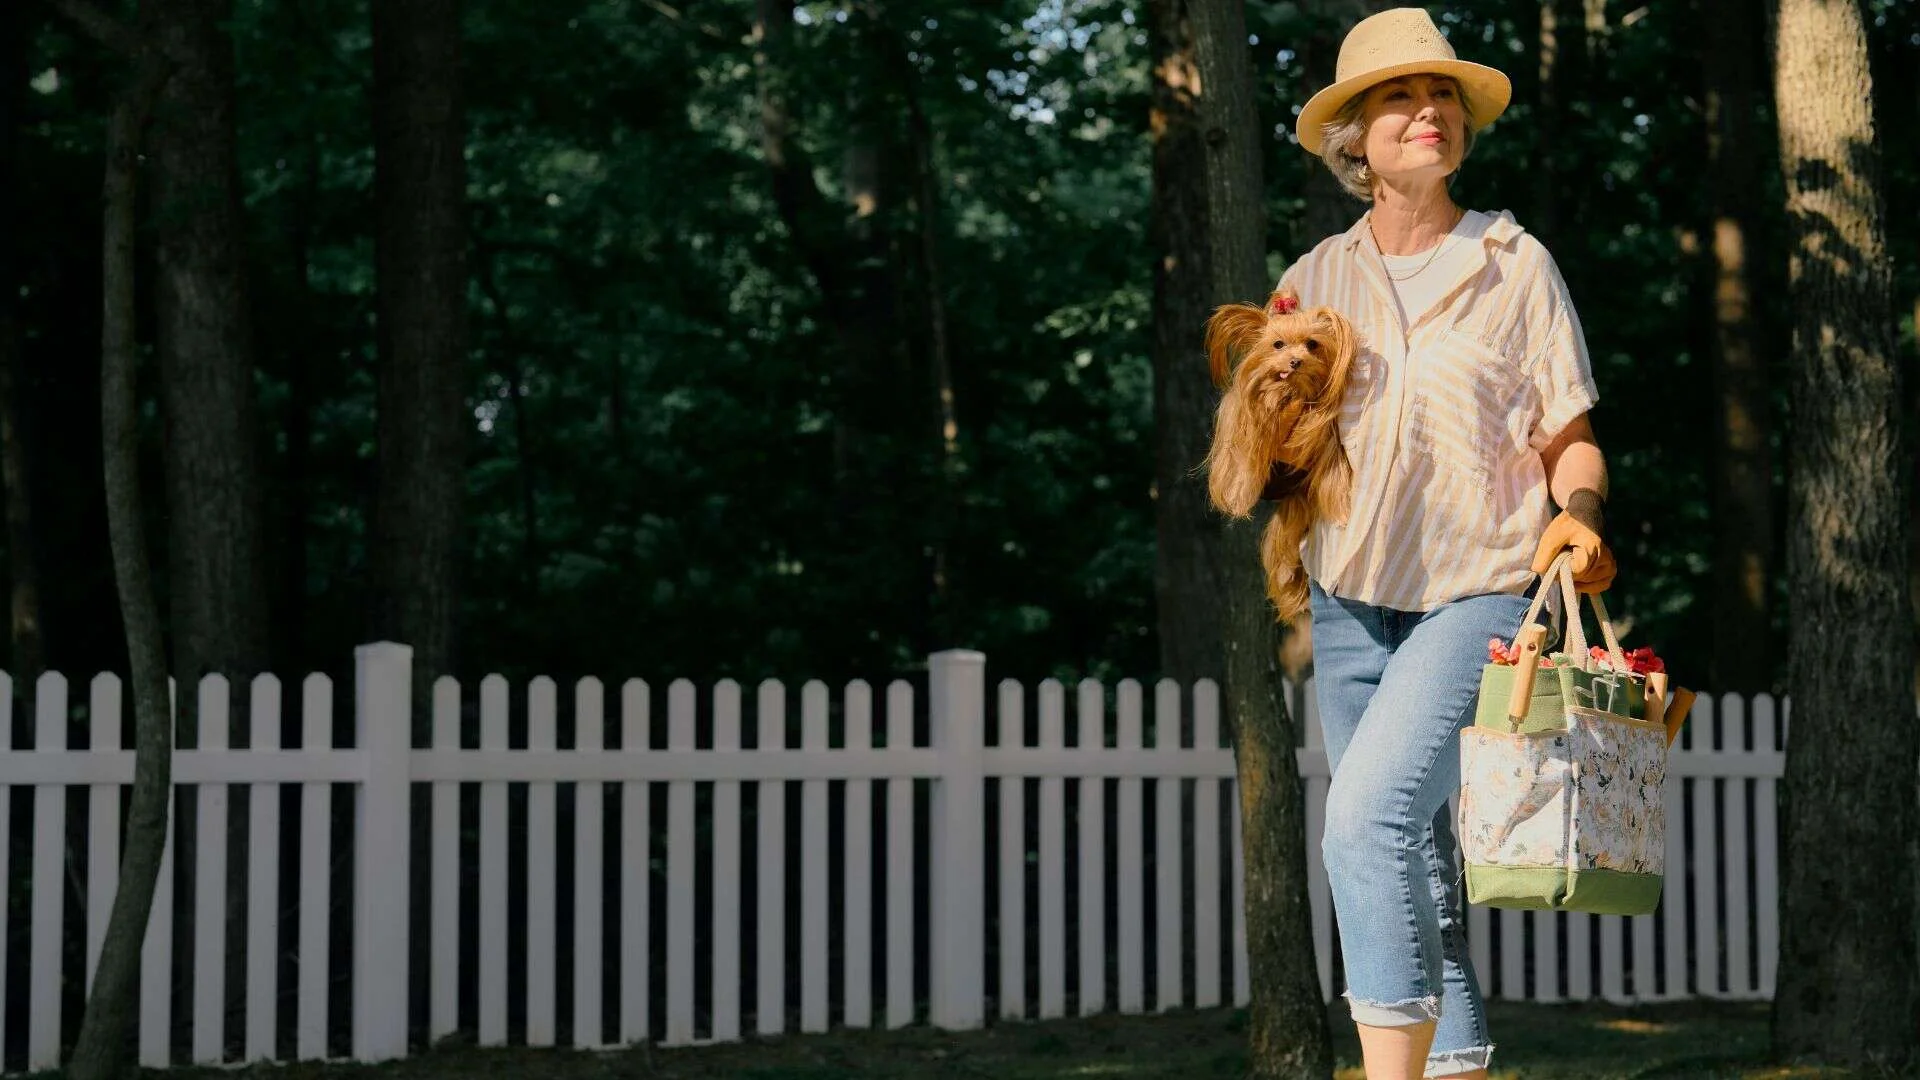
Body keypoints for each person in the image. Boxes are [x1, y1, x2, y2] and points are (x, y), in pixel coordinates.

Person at [1262, 8, 1614, 1079]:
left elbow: (1571, 437)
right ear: (1355, 141)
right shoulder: (1317, 275)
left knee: (1363, 823)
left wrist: (1582, 515)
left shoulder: (1514, 265)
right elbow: (1278, 441)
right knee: (1414, 862)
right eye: (1400, 97)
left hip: (1478, 594)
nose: (1429, 111)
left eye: (1443, 96)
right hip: (1348, 598)